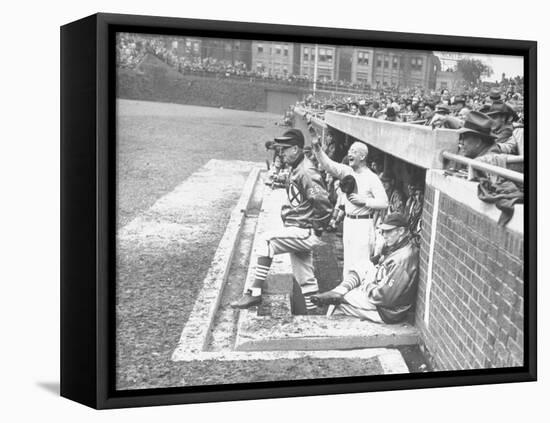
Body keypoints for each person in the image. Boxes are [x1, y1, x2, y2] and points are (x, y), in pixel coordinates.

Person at [231, 129, 333, 312]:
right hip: (298, 228)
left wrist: (316, 230)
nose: (281, 153)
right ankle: (315, 316)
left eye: (285, 149)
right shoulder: (298, 167)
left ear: (295, 149)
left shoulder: (307, 171)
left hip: (304, 230)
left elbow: (323, 203)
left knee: (266, 240)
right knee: (305, 277)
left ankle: (254, 293)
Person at [311, 213, 419, 324]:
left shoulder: (402, 260)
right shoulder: (401, 245)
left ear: (401, 231)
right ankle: (338, 291)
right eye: (383, 231)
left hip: (387, 311)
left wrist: (367, 285)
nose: (384, 235)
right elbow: (380, 262)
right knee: (364, 265)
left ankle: (330, 334)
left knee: (337, 303)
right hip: (383, 297)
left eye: (389, 231)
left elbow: (384, 298)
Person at [311, 135, 388, 284]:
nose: (349, 154)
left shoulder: (372, 177)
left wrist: (365, 201)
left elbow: (384, 202)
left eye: (353, 151)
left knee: (360, 265)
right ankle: (345, 297)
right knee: (348, 263)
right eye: (349, 151)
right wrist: (317, 148)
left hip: (363, 224)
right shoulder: (347, 171)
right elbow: (328, 165)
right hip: (348, 222)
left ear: (363, 156)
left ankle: (359, 299)